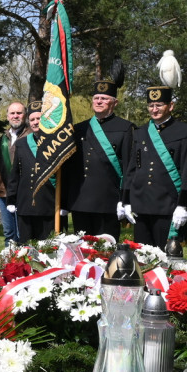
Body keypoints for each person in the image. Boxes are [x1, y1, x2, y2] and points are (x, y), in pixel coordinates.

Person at [122, 84, 187, 249]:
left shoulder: (184, 131)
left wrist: (183, 205)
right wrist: (126, 200)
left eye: (159, 105)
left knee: (165, 259)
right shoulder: (140, 132)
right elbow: (132, 169)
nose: (154, 109)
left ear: (171, 106)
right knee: (142, 257)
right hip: (141, 204)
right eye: (151, 105)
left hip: (167, 205)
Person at [65, 61, 134, 240]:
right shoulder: (79, 128)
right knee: (83, 253)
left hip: (108, 201)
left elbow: (129, 168)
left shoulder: (126, 128)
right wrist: (66, 199)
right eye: (96, 98)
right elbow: (69, 168)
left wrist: (125, 199)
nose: (99, 101)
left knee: (106, 252)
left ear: (115, 102)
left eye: (104, 98)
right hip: (80, 200)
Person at [7, 100, 56, 243]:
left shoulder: (56, 142)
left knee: (48, 247)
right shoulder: (22, 143)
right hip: (25, 203)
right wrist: (11, 198)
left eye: (39, 119)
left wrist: (64, 203)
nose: (35, 122)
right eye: (32, 119)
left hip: (49, 203)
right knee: (26, 247)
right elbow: (15, 173)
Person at [0, 100, 26, 244]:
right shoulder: (2, 140)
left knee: (22, 233)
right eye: (12, 113)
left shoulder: (31, 136)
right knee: (9, 233)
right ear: (7, 116)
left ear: (25, 115)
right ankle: (9, 265)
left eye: (19, 113)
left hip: (23, 193)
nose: (15, 116)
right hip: (4, 194)